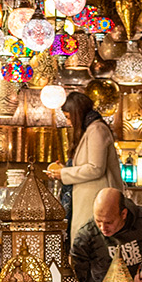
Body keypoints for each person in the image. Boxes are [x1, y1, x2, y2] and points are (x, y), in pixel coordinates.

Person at [46, 91, 121, 241]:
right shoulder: (91, 130)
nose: (68, 123)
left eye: (69, 117)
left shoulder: (97, 130)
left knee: (89, 244)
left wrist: (64, 173)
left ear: (76, 113)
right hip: (87, 199)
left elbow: (95, 168)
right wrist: (65, 169)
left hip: (96, 199)